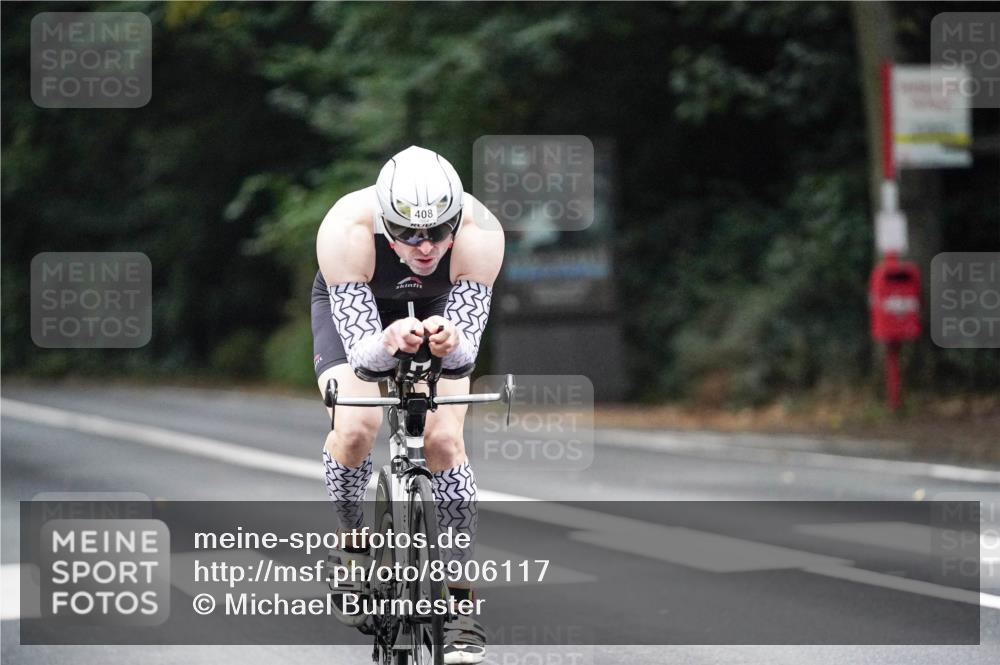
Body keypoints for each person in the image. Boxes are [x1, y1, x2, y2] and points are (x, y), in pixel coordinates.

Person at [312, 145, 503, 664]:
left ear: (456, 220)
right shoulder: (345, 229)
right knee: (356, 428)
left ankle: (461, 602)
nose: (425, 247)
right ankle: (353, 544)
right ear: (384, 221)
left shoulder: (481, 235)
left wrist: (447, 340)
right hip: (358, 308)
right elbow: (365, 361)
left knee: (444, 440)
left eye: (439, 232)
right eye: (409, 234)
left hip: (440, 306)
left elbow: (464, 356)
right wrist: (390, 337)